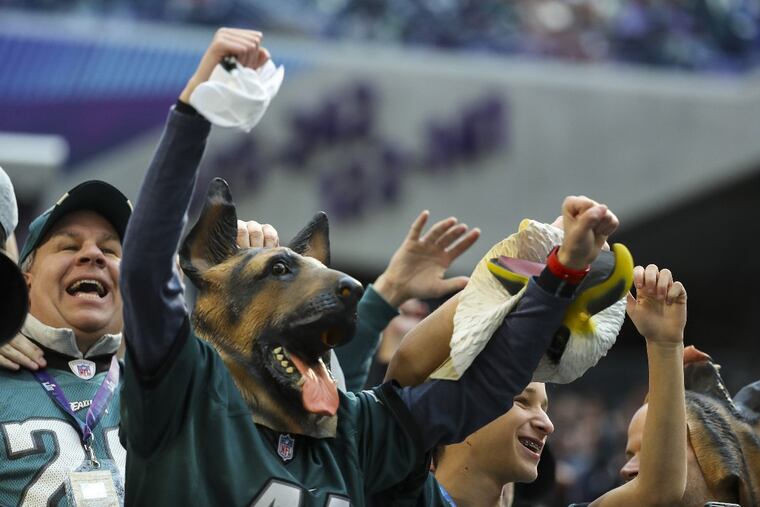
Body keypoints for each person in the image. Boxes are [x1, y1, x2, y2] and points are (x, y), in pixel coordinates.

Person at [117, 25, 617, 505]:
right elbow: (143, 271)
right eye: (279, 272)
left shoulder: (356, 430)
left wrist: (561, 274)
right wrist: (194, 111)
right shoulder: (183, 394)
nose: (338, 286)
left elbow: (486, 388)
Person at [376, 265, 688, 507]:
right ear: (463, 404)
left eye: (544, 407)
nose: (547, 424)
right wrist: (544, 264)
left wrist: (664, 344)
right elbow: (407, 365)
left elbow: (658, 491)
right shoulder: (398, 495)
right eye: (522, 401)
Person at [0, 179, 132, 506]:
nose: (92, 255)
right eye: (69, 246)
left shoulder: (168, 395)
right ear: (25, 284)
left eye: (110, 250)